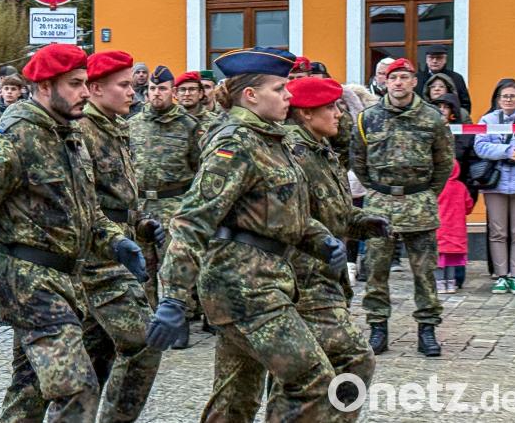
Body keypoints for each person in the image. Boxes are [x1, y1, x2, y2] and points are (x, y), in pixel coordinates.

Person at [0, 43, 148, 422]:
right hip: (29, 284)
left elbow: (85, 209)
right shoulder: (13, 137)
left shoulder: (68, 136)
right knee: (77, 388)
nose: (84, 92)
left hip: (65, 281)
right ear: (45, 87)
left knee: (28, 393)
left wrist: (115, 240)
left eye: (85, 83)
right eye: (75, 84)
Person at [146, 46, 348, 421]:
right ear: (251, 95)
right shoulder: (235, 143)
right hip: (243, 286)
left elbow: (280, 211)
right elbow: (193, 220)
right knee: (312, 379)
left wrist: (321, 240)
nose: (289, 96)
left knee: (235, 398)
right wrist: (173, 297)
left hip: (264, 279)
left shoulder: (271, 138)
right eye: (279, 89)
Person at [10, 50, 166, 422]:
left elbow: (118, 194)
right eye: (123, 85)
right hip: (86, 261)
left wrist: (140, 224)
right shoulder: (80, 129)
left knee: (78, 366)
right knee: (49, 378)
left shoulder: (113, 126)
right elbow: (78, 201)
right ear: (95, 89)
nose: (133, 92)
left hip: (109, 249)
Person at [269, 76, 389, 421]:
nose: (339, 114)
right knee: (355, 359)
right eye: (331, 107)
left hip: (324, 276)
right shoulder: (294, 154)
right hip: (305, 279)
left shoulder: (320, 149)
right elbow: (290, 216)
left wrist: (362, 221)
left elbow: (332, 210)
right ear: (306, 113)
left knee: (296, 374)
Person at [352, 58, 454, 357]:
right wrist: (377, 189)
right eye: (393, 77)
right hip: (380, 204)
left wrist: (425, 193)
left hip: (419, 203)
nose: (398, 83)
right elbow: (358, 161)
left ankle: (427, 330)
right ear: (385, 82)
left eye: (404, 77)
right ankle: (377, 328)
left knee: (424, 272)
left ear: (414, 82)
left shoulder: (432, 118)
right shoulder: (368, 118)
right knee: (376, 271)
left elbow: (444, 162)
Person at [129, 65, 201, 349]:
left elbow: (198, 167)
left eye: (162, 88)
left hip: (174, 202)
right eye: (152, 89)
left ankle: (180, 320)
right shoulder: (133, 124)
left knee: (174, 265)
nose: (156, 93)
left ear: (173, 92)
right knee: (142, 267)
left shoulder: (188, 126)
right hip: (141, 204)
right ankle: (149, 320)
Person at [474, 79, 515, 294]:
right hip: (496, 183)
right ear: (498, 99)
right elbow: (480, 146)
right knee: (498, 231)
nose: (509, 100)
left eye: (513, 96)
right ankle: (501, 276)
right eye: (505, 96)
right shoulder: (487, 119)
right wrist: (506, 151)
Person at [433, 92, 480, 289]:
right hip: (444, 197)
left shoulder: (463, 133)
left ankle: (450, 281)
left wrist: (470, 190)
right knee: (446, 252)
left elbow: (471, 162)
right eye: (439, 107)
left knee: (447, 254)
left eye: (446, 107)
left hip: (458, 189)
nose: (442, 111)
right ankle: (446, 281)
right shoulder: (431, 130)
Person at [434, 159, 474, 294]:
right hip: (457, 230)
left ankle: (439, 283)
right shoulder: (461, 187)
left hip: (439, 228)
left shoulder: (437, 187)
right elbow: (469, 206)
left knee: (438, 258)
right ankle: (451, 284)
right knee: (451, 259)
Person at [414, 45, 471, 113]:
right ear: (426, 59)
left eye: (439, 58)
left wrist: (456, 116)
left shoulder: (456, 78)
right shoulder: (417, 79)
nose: (434, 61)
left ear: (445, 59)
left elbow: (465, 105)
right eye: (431, 57)